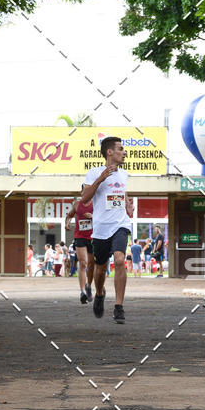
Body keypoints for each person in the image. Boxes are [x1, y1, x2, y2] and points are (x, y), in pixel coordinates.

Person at [81, 136, 133, 324]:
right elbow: (85, 198)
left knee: (120, 260)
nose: (124, 152)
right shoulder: (94, 172)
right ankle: (100, 293)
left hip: (120, 224)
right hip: (101, 229)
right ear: (109, 152)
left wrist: (127, 204)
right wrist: (101, 178)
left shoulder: (124, 174)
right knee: (100, 269)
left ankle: (119, 307)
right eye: (121, 149)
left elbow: (121, 192)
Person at [65, 187, 94, 304]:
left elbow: (105, 219)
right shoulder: (77, 204)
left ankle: (88, 287)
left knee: (92, 265)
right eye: (84, 191)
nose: (86, 193)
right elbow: (69, 215)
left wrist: (93, 217)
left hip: (93, 237)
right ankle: (82, 291)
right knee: (83, 263)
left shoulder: (96, 203)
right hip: (80, 236)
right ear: (82, 192)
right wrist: (67, 223)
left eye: (89, 191)